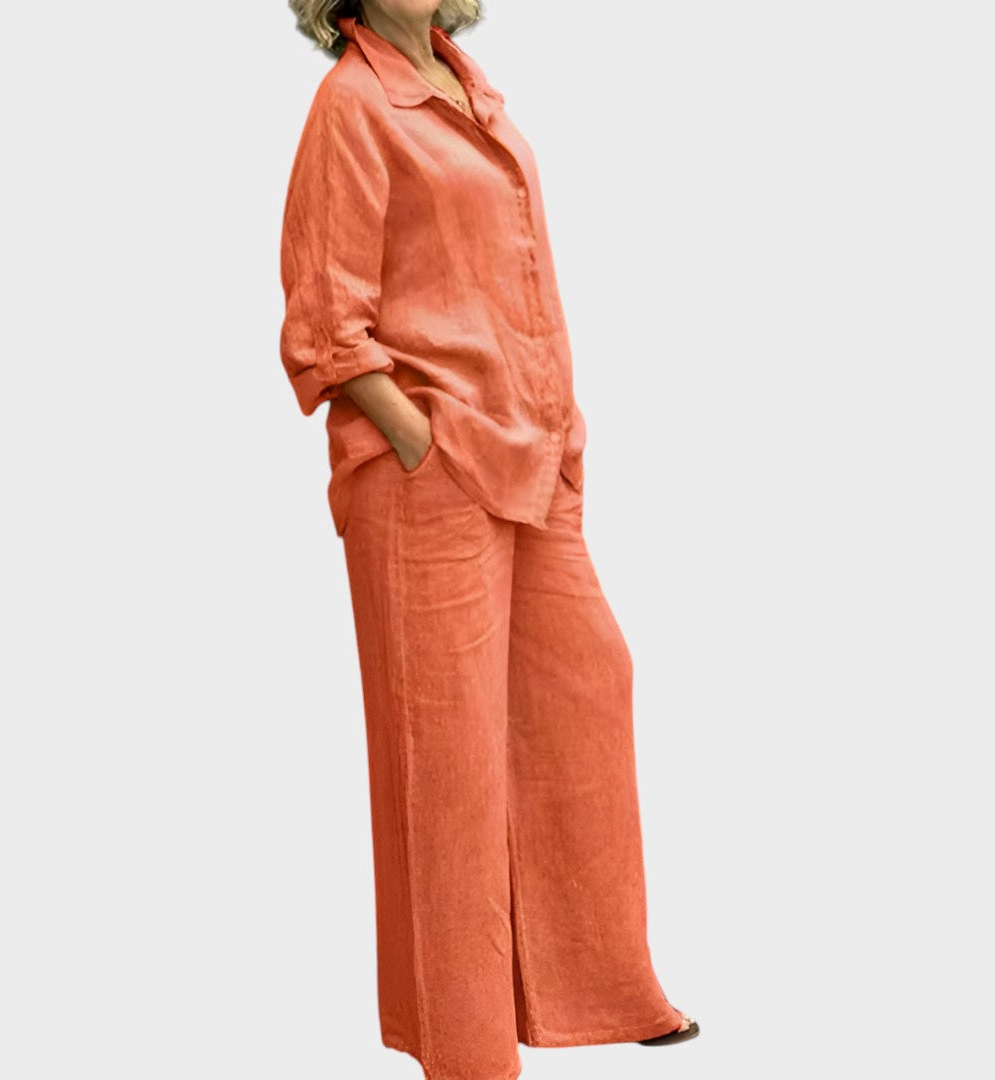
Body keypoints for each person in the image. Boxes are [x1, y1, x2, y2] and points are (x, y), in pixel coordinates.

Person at [278, 2, 699, 1077]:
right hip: (430, 471)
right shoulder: (354, 105)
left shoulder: (474, 94)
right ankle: (468, 1049)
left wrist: (563, 429)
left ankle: (599, 986)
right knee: (449, 761)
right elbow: (324, 320)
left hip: (532, 455)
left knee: (589, 686)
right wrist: (416, 436)